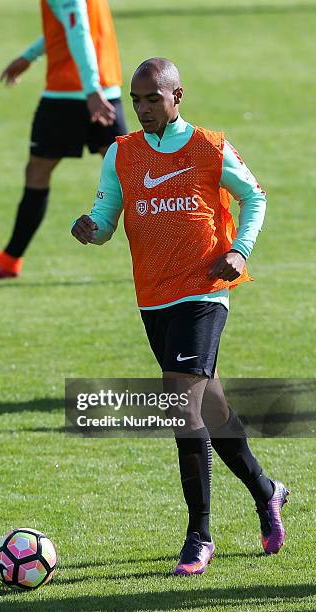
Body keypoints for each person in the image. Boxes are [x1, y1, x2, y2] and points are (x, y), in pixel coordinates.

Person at [72, 57, 289, 576]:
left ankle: (199, 535)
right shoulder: (121, 153)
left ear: (177, 96)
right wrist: (91, 228)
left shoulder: (210, 146)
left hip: (204, 292)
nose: (144, 108)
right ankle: (267, 491)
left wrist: (241, 250)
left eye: (153, 98)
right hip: (154, 298)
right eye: (137, 100)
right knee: (210, 407)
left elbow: (254, 197)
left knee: (179, 403)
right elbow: (106, 216)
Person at [0, 0, 126, 279]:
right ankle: (173, 258)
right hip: (103, 89)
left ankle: (10, 259)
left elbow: (79, 29)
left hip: (73, 94)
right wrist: (31, 55)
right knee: (129, 175)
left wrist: (90, 90)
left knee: (38, 172)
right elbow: (71, 24)